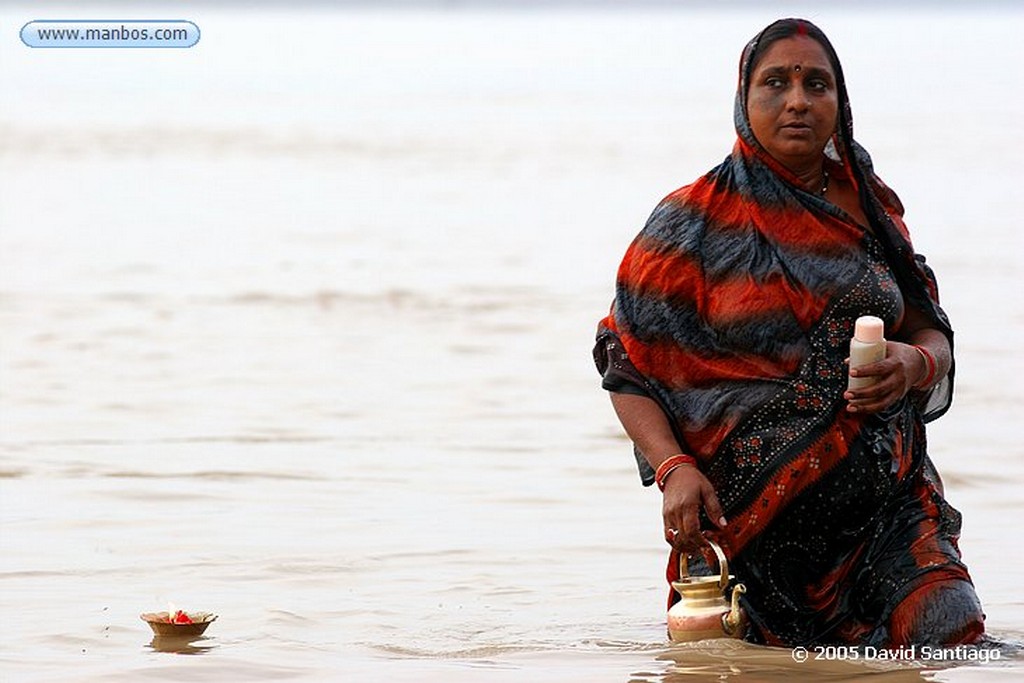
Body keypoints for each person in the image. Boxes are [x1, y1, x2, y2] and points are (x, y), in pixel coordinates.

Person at [593, 18, 985, 647]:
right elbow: (626, 364)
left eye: (817, 84)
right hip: (752, 533)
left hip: (893, 511)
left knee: (946, 635)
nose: (798, 100)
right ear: (744, 101)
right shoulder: (690, 222)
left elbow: (927, 328)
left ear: (840, 101)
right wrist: (672, 469)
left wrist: (915, 365)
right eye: (775, 82)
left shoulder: (870, 205)